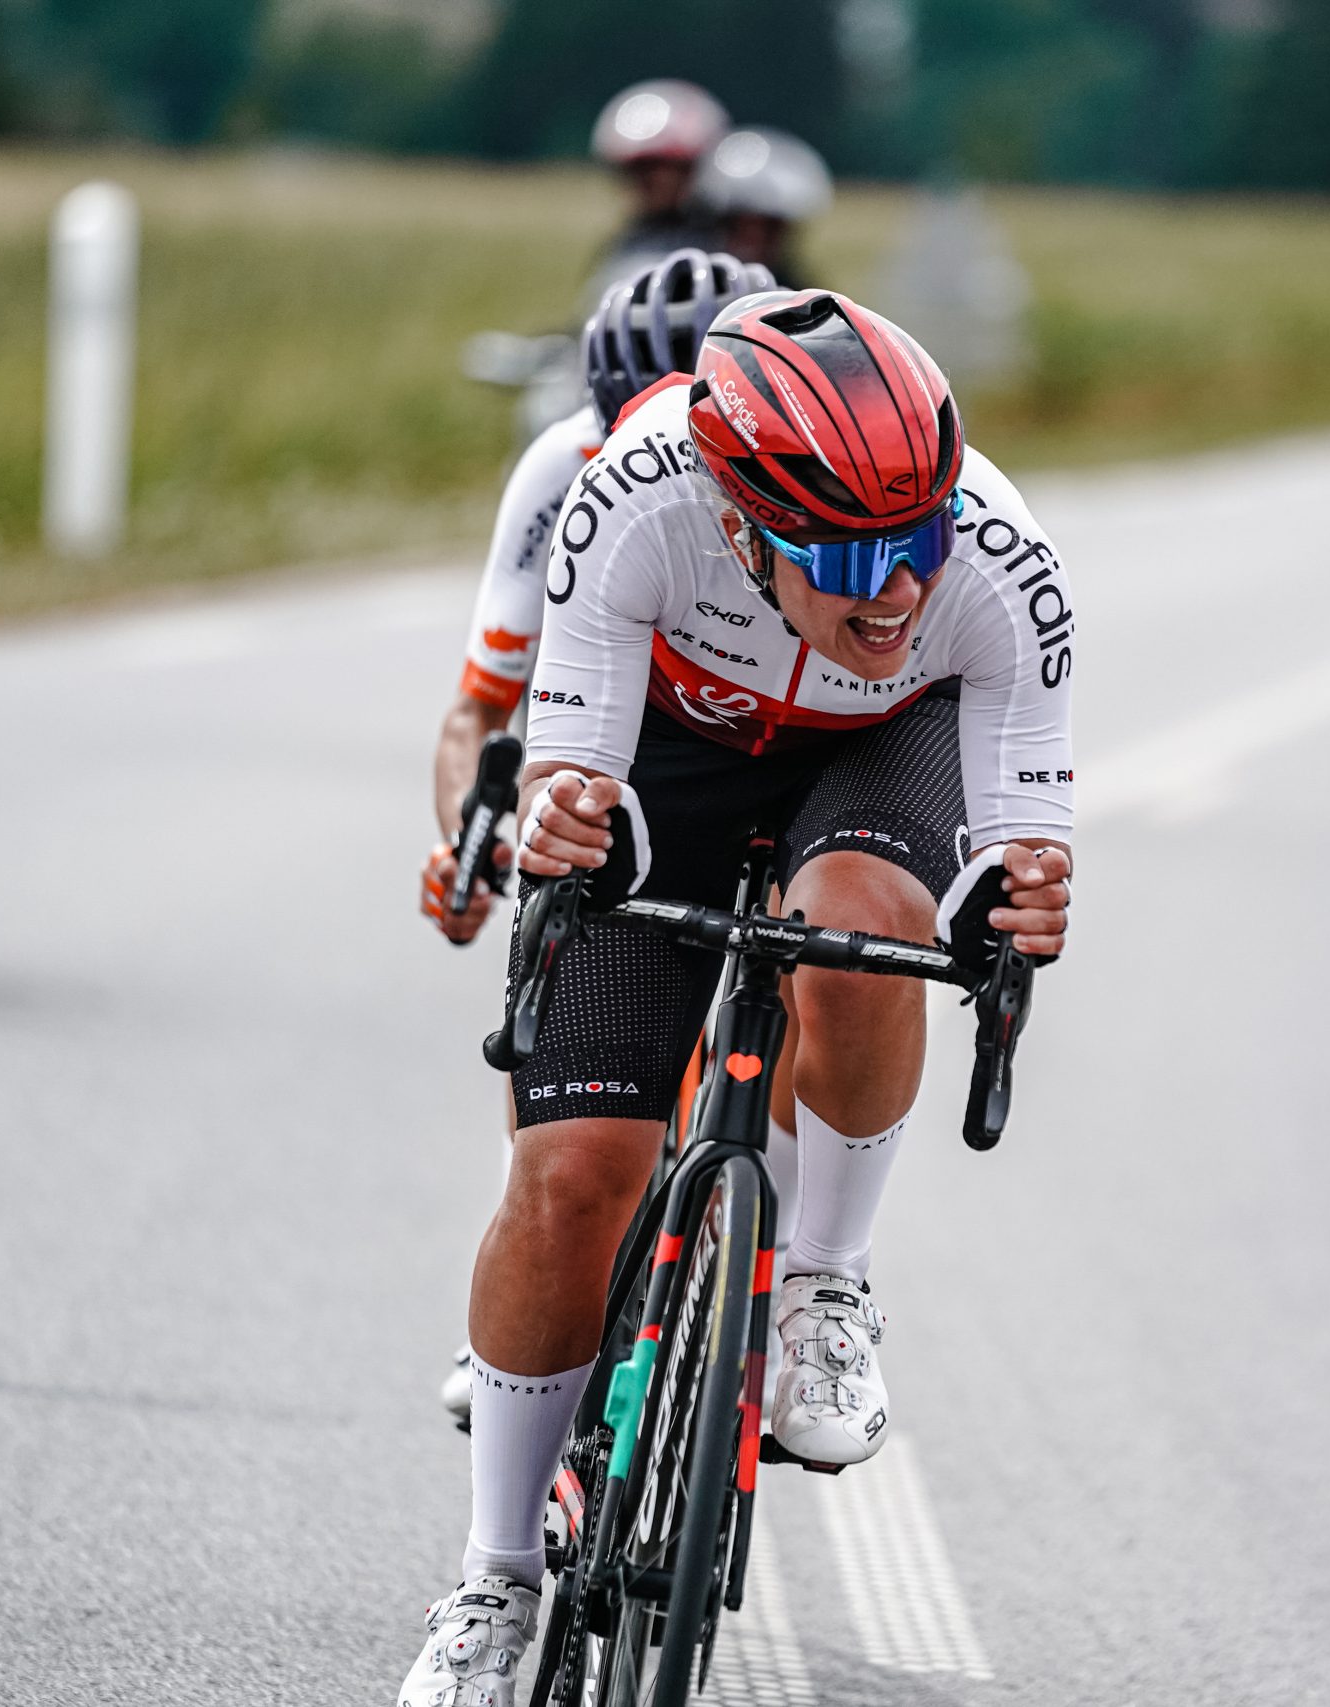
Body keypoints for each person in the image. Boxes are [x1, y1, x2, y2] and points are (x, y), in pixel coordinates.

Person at [397, 290, 1075, 1707]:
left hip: (891, 744)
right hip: (678, 740)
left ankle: (824, 1280)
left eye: (916, 541)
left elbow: (1015, 841)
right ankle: (495, 1575)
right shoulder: (630, 495)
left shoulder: (1004, 567)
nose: (892, 588)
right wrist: (564, 821)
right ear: (742, 521)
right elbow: (573, 762)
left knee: (859, 919)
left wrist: (1022, 901)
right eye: (847, 551)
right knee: (572, 1170)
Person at [417, 250, 775, 1433]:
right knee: (559, 941)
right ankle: (542, 1257)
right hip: (612, 737)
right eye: (639, 425)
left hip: (764, 742)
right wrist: (476, 846)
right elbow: (479, 707)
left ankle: (759, 1250)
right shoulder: (565, 464)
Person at [586, 80, 731, 306]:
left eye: (662, 168)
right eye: (639, 170)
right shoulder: (627, 241)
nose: (649, 181)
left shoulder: (724, 243)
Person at [693, 125, 834, 289]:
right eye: (740, 225)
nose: (753, 238)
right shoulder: (686, 285)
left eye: (769, 227)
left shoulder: (804, 298)